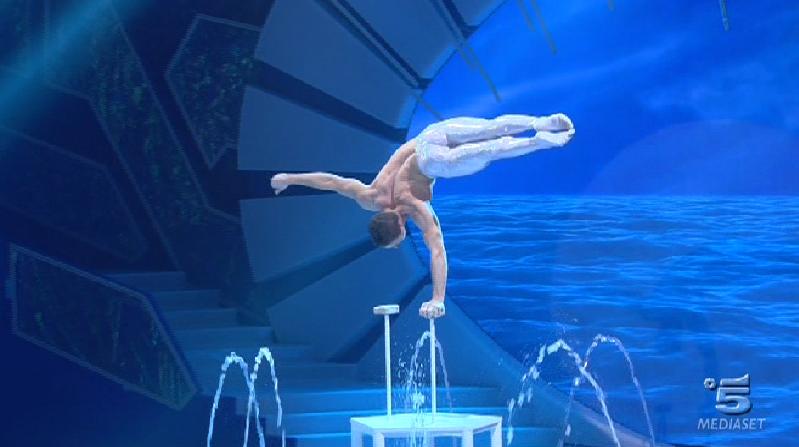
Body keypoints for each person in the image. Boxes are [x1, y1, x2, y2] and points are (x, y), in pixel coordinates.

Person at [270, 114, 575, 319]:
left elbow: (437, 250)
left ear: (400, 227)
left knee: (485, 152)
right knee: (491, 128)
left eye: (399, 241)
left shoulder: (416, 208)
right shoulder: (370, 197)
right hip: (431, 135)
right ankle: (541, 122)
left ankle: (538, 141)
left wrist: (438, 298)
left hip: (431, 159)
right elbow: (332, 182)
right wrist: (289, 178)